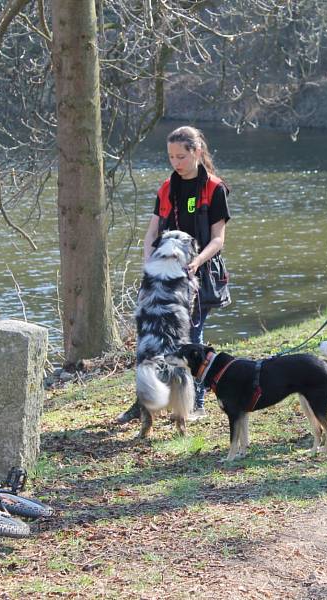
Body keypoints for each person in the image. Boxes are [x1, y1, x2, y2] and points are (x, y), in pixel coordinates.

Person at [116, 126, 231, 424]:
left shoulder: (214, 188)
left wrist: (196, 263)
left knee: (192, 336)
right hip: (163, 274)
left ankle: (196, 400)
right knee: (150, 339)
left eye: (181, 156)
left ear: (197, 152)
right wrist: (148, 263)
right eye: (171, 157)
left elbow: (218, 239)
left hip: (199, 275)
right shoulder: (167, 187)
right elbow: (152, 231)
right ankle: (144, 403)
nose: (175, 162)